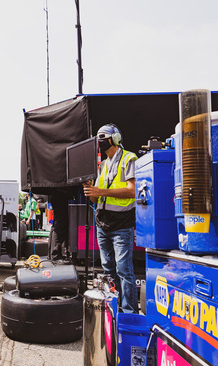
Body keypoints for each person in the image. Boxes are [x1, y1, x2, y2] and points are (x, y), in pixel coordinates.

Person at [83, 123, 138, 313]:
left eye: (103, 137)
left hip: (121, 224)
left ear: (115, 139)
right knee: (108, 270)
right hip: (102, 223)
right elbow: (95, 198)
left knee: (124, 270)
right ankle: (115, 310)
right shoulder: (102, 165)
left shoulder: (129, 158)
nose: (100, 141)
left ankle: (129, 312)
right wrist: (90, 188)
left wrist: (101, 191)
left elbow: (133, 191)